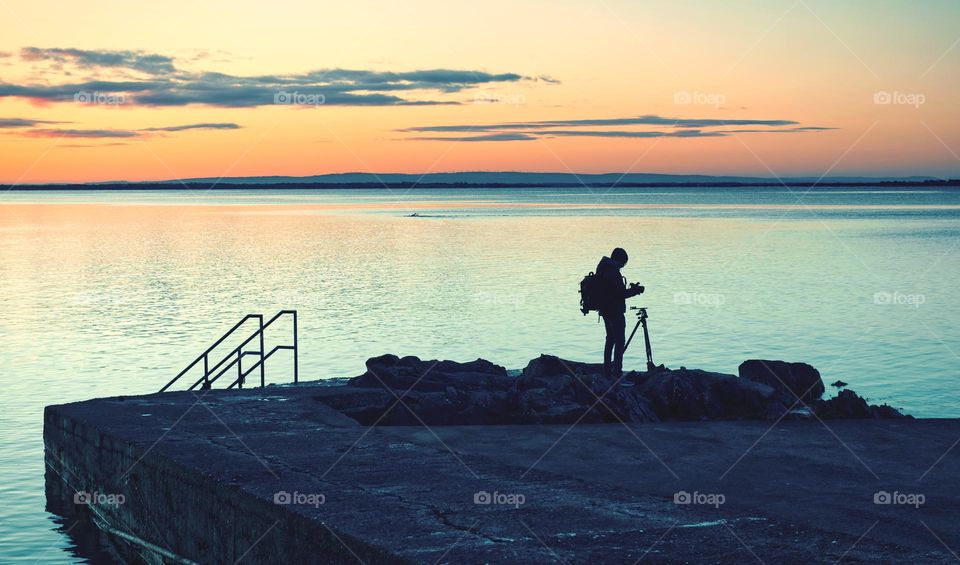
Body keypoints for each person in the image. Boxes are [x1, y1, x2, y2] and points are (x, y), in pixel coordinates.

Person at [596, 247, 644, 381]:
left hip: (605, 311)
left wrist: (630, 289)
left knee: (610, 339)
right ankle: (617, 374)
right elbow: (620, 294)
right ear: (618, 261)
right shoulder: (613, 273)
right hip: (615, 312)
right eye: (623, 263)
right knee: (619, 341)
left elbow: (613, 292)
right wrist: (636, 291)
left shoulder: (603, 268)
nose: (623, 266)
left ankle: (607, 371)